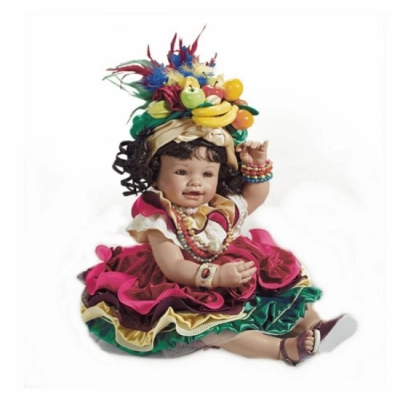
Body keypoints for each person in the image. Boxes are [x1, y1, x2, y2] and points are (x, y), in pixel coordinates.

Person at [79, 29, 357, 365]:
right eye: (182, 172)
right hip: (187, 283)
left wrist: (257, 166)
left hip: (233, 266)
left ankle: (314, 325)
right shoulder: (159, 220)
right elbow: (173, 266)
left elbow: (255, 197)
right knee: (211, 328)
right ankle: (284, 349)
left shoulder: (221, 207)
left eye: (207, 174)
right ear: (155, 174)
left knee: (279, 284)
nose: (195, 183)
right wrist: (214, 276)